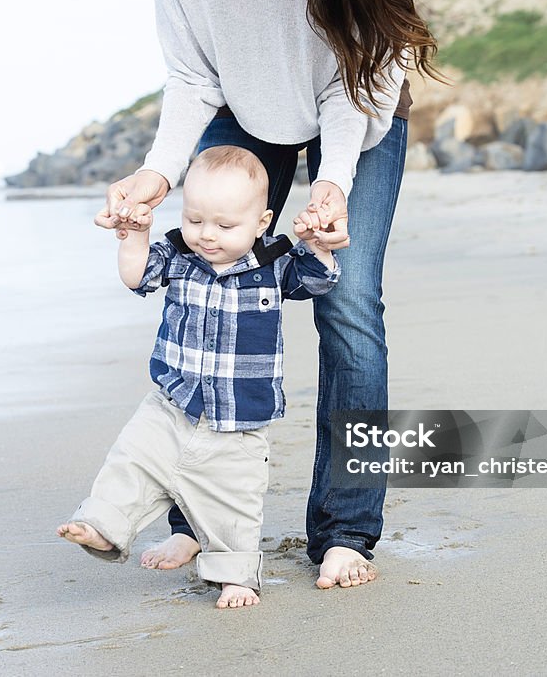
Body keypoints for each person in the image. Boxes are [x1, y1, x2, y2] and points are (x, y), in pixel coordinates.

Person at [95, 0, 442, 589]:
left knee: (349, 306)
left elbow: (348, 88)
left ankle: (346, 531)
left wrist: (331, 183)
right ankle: (194, 518)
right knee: (205, 272)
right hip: (247, 108)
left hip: (360, 103)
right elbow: (192, 75)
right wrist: (157, 172)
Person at [59, 145, 339, 609]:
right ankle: (104, 525)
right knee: (131, 461)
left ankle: (235, 577)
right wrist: (134, 238)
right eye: (195, 220)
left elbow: (319, 281)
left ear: (261, 223)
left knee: (235, 506)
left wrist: (318, 246)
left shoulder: (274, 265)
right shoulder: (179, 254)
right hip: (171, 404)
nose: (207, 236)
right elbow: (136, 277)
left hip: (238, 421)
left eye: (225, 226)